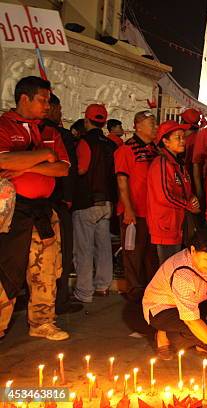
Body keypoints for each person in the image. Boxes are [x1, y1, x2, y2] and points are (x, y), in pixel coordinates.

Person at [0, 76, 70, 340]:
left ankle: (42, 322)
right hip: (12, 212)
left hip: (43, 211)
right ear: (24, 98)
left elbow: (62, 168)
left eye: (49, 100)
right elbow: (4, 159)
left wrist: (23, 165)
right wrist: (42, 155)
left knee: (47, 268)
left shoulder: (50, 131)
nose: (47, 105)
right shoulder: (4, 125)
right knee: (7, 269)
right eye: (42, 99)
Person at [142, 228, 207, 364]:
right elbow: (191, 320)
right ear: (193, 251)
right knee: (199, 332)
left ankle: (199, 340)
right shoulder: (182, 275)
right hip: (163, 309)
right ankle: (163, 332)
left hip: (196, 301)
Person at [72, 104, 117, 302]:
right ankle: (103, 286)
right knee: (104, 246)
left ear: (86, 120)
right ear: (105, 122)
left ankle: (84, 292)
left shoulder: (85, 142)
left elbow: (81, 169)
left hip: (87, 202)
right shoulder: (110, 144)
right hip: (106, 202)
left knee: (84, 249)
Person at [42, 93, 82, 314]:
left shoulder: (44, 132)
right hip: (57, 202)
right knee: (62, 255)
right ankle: (59, 301)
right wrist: (69, 197)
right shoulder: (58, 134)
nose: (60, 113)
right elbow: (70, 170)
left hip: (41, 201)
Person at [115, 111, 159, 301]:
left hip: (153, 212)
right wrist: (128, 209)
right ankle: (134, 289)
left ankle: (150, 288)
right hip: (134, 211)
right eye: (151, 124)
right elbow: (122, 181)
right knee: (133, 252)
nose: (155, 127)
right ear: (138, 126)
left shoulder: (155, 149)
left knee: (150, 254)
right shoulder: (126, 150)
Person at [147, 120, 200, 264]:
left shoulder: (177, 163)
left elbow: (185, 189)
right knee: (168, 267)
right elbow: (164, 195)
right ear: (165, 141)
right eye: (178, 137)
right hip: (166, 225)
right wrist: (188, 204)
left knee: (176, 265)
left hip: (176, 224)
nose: (183, 141)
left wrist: (192, 198)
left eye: (183, 137)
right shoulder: (162, 163)